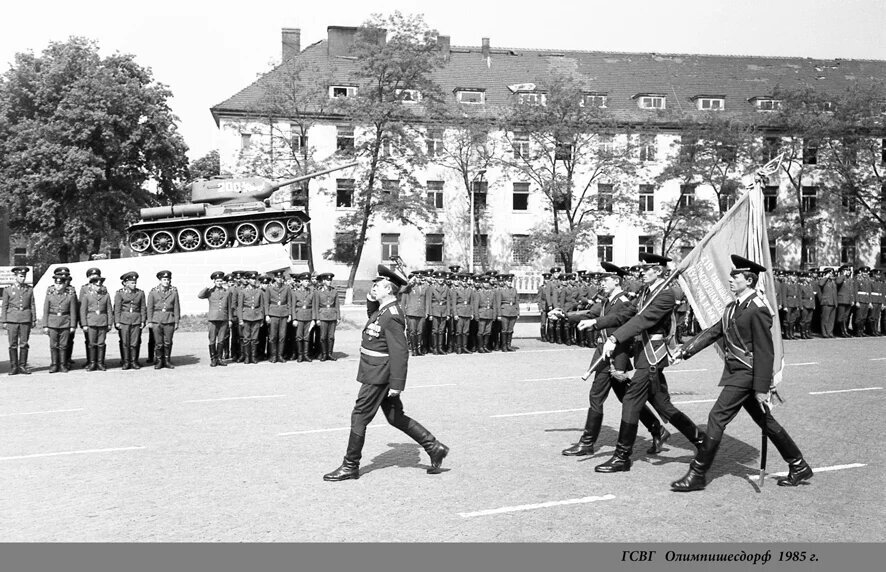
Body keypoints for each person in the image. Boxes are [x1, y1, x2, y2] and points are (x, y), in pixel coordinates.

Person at [670, 255, 813, 491]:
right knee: (764, 420)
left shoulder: (757, 309)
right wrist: (684, 352)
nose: (731, 279)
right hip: (737, 371)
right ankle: (798, 464)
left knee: (717, 417)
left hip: (747, 373)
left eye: (735, 276)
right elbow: (714, 331)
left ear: (749, 280)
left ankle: (697, 473)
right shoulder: (733, 307)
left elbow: (766, 352)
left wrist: (761, 388)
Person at [323, 264, 449, 482]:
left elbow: (400, 353)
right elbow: (371, 314)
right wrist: (372, 296)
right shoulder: (383, 311)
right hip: (375, 371)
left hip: (379, 375)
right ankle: (434, 446)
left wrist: (397, 384)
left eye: (378, 286)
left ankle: (350, 465)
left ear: (389, 290)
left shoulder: (392, 316)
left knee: (359, 415)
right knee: (394, 417)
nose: (374, 288)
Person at [598, 253, 705, 473]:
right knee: (663, 405)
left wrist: (614, 337)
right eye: (641, 269)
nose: (641, 272)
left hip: (652, 357)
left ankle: (622, 457)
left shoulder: (665, 294)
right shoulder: (646, 292)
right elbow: (626, 314)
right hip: (643, 355)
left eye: (646, 269)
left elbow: (643, 319)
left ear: (658, 271)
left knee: (630, 401)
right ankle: (702, 441)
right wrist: (595, 322)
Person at [556, 262, 668, 457]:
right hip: (603, 353)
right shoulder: (608, 301)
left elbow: (624, 333)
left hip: (615, 356)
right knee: (626, 398)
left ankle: (587, 442)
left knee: (598, 396)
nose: (601, 284)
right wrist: (564, 317)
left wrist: (620, 365)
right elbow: (591, 315)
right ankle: (657, 429)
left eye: (605, 280)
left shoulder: (623, 302)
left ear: (616, 281)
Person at [43, 268, 77, 374]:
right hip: (52, 323)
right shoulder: (49, 296)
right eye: (56, 284)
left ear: (64, 285)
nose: (58, 286)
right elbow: (46, 311)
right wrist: (45, 325)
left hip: (65, 322)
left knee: (63, 345)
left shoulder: (70, 296)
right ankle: (54, 364)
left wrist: (72, 325)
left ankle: (62, 364)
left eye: (60, 284)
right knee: (53, 345)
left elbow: (73, 312)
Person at [146, 270, 180, 369]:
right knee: (158, 343)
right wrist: (150, 321)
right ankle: (159, 361)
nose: (167, 281)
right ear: (160, 280)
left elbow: (176, 307)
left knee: (168, 342)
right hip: (157, 319)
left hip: (169, 319)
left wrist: (177, 321)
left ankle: (167, 360)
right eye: (164, 279)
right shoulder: (153, 292)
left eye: (168, 279)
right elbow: (150, 307)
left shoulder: (173, 291)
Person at [198, 271, 233, 367]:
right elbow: (200, 296)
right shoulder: (210, 291)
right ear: (214, 281)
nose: (219, 282)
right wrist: (207, 287)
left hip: (223, 318)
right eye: (217, 281)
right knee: (212, 339)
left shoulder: (227, 292)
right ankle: (213, 359)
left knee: (221, 339)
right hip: (213, 319)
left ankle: (220, 358)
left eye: (221, 281)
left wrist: (230, 319)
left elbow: (229, 306)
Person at [80, 272, 114, 371]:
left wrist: (109, 323)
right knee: (92, 343)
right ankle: (92, 363)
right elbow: (83, 310)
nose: (98, 287)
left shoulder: (106, 295)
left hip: (102, 322)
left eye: (100, 285)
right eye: (96, 285)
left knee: (101, 343)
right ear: (92, 285)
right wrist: (84, 324)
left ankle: (100, 363)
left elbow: (109, 310)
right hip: (91, 322)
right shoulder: (87, 295)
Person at [114, 271, 147, 370]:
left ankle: (134, 361)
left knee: (135, 342)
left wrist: (142, 320)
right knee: (125, 342)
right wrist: (117, 321)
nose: (134, 284)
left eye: (135, 282)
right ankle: (126, 361)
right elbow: (117, 308)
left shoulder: (140, 293)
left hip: (136, 320)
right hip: (124, 320)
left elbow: (142, 307)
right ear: (125, 283)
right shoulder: (120, 293)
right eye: (132, 283)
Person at [264, 270, 292, 363]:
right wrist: (267, 315)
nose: (279, 279)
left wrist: (290, 314)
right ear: (275, 278)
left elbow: (289, 302)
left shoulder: (287, 288)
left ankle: (280, 355)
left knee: (282, 336)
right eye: (278, 277)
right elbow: (266, 302)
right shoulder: (269, 288)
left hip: (283, 313)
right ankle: (273, 355)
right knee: (273, 336)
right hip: (273, 314)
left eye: (281, 277)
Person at [237, 271, 264, 364]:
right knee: (246, 338)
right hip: (246, 316)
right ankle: (247, 357)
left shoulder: (259, 291)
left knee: (255, 338)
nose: (254, 281)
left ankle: (253, 357)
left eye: (255, 279)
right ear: (248, 280)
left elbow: (261, 306)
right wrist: (240, 319)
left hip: (256, 316)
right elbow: (239, 306)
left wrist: (262, 319)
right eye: (252, 279)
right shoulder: (243, 291)